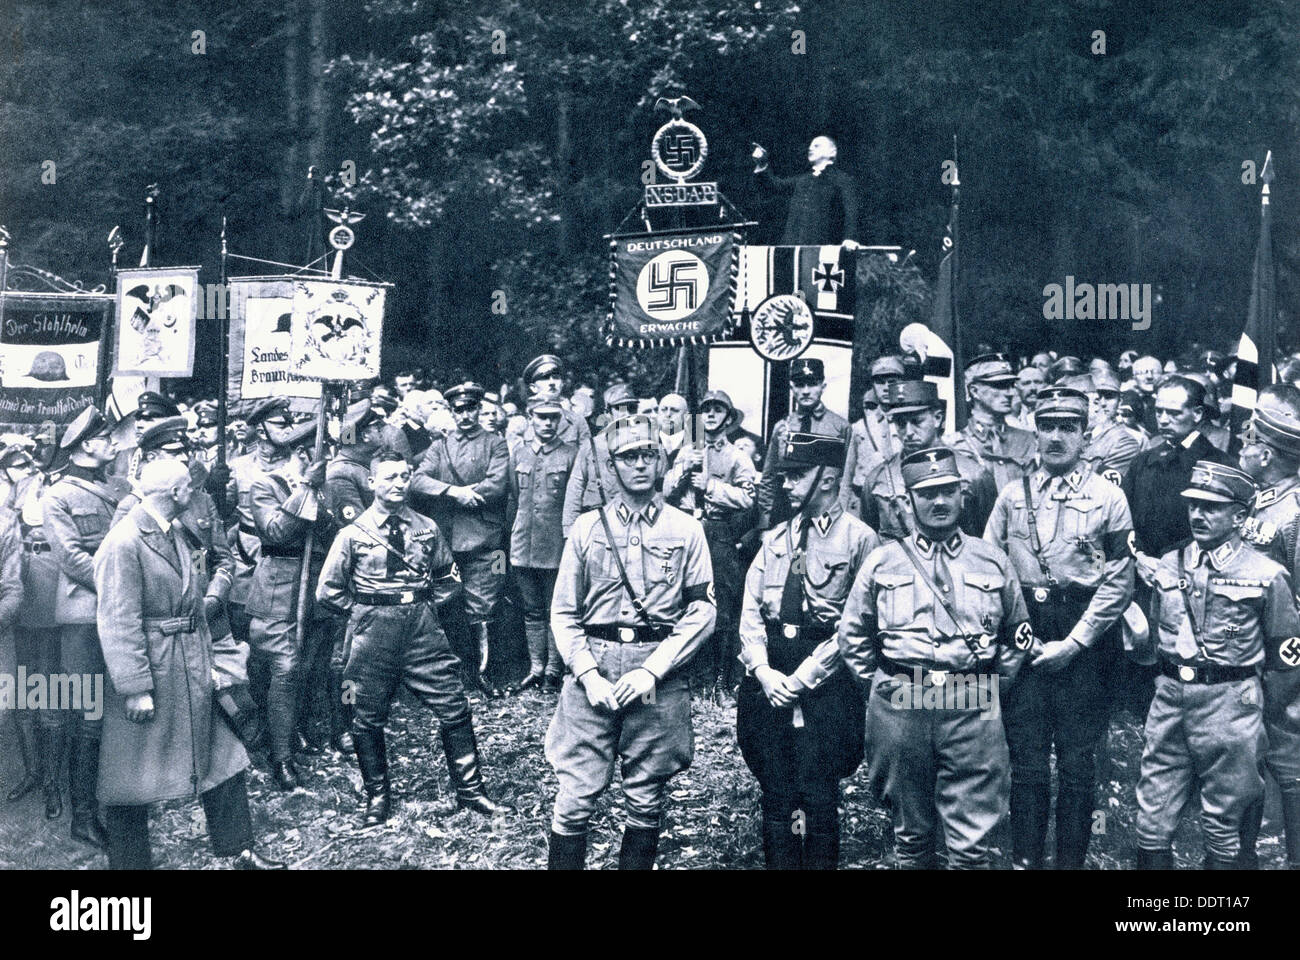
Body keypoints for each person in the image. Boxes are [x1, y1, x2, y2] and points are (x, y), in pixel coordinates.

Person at [837, 447, 1036, 869]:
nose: (940, 502)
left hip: (970, 700)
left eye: (948, 491)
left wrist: (989, 687)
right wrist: (881, 688)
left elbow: (1017, 636)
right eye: (927, 494)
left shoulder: (992, 560)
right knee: (911, 836)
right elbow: (853, 635)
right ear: (908, 503)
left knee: (971, 843)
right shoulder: (882, 561)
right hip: (902, 701)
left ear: (963, 496)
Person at [93, 459, 283, 870]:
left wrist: (208, 662)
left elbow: (193, 602)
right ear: (175, 494)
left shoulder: (175, 532)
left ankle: (240, 851)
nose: (194, 493)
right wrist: (135, 687)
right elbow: (116, 619)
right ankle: (129, 866)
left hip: (190, 662)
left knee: (224, 758)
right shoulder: (124, 542)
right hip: (154, 671)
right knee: (131, 777)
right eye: (187, 488)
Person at [545, 414, 716, 870]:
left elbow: (702, 610)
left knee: (645, 796)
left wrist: (650, 670)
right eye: (628, 456)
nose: (639, 464)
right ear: (611, 466)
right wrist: (586, 674)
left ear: (661, 462)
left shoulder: (686, 529)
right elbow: (563, 613)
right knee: (575, 798)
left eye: (649, 455)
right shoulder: (586, 529)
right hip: (592, 671)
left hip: (656, 672)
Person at [984, 387, 1134, 869]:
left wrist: (1074, 644)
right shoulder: (1011, 495)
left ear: (1085, 434)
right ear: (1035, 431)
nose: (1055, 437)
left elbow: (1118, 582)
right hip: (1024, 632)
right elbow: (989, 568)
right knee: (1026, 763)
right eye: (1046, 426)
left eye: (1067, 427)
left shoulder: (1109, 496)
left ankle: (1070, 862)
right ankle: (1025, 860)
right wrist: (1013, 638)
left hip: (1085, 638)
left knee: (1076, 763)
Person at [316, 451, 509, 826]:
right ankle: (378, 798)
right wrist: (363, 611)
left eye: (404, 476)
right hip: (373, 631)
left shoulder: (427, 527)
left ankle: (471, 792)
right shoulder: (353, 534)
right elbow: (328, 591)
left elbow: (449, 576)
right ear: (372, 483)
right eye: (388, 477)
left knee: (453, 704)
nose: (398, 484)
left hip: (422, 629)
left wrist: (426, 606)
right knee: (367, 715)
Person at [1133, 462, 1300, 869]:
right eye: (1193, 506)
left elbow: (1287, 658)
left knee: (1224, 824)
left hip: (1231, 705)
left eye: (1211, 508)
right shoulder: (1170, 564)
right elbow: (1157, 637)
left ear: (1239, 517)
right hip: (1171, 701)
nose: (1198, 515)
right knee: (1151, 820)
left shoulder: (1265, 574)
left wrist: (1257, 710)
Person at [737, 431, 876, 868]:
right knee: (777, 791)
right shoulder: (776, 537)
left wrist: (804, 679)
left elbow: (858, 624)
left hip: (826, 682)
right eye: (785, 475)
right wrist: (762, 670)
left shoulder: (860, 540)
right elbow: (751, 612)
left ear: (829, 479)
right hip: (771, 675)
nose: (786, 485)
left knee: (818, 792)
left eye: (797, 476)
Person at [41, 406, 127, 848]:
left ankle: (122, 799)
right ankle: (83, 815)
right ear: (86, 446)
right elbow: (71, 559)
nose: (113, 442)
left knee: (120, 711)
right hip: (84, 616)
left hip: (121, 613)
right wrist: (123, 582)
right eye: (106, 437)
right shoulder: (57, 496)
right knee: (87, 717)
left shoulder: (117, 488)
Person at [246, 418, 339, 790]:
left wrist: (321, 504)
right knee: (283, 666)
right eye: (321, 453)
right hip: (278, 590)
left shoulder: (324, 488)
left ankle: (302, 730)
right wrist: (304, 490)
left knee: (311, 665)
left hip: (315, 586)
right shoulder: (264, 485)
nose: (327, 460)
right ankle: (280, 756)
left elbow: (334, 534)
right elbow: (275, 531)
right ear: (301, 454)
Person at [411, 381, 511, 696]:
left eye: (471, 408)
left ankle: (485, 673)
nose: (465, 415)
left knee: (484, 605)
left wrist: (472, 495)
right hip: (448, 539)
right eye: (459, 410)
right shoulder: (441, 446)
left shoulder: (495, 443)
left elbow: (498, 484)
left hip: (484, 538)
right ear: (452, 412)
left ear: (479, 409)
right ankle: (459, 671)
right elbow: (417, 480)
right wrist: (455, 492)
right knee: (449, 604)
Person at [1236, 404, 1300, 868]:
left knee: (1289, 762)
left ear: (1267, 453)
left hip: (1281, 663)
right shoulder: (1259, 500)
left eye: (1250, 438)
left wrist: (1286, 673)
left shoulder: (1294, 510)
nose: (1242, 442)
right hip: (1245, 657)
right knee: (1247, 762)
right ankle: (1242, 859)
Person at [662, 390, 757, 697]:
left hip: (718, 532)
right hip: (687, 528)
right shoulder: (688, 449)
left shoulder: (737, 456)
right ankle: (692, 677)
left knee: (723, 605)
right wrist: (680, 471)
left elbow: (749, 498)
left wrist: (713, 487)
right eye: (707, 410)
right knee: (686, 600)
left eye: (718, 410)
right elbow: (664, 492)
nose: (712, 415)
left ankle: (722, 679)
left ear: (728, 418)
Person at [2, 441, 66, 819]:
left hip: (47, 596)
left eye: (28, 465)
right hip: (14, 608)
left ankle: (53, 782)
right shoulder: (6, 504)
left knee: (52, 693)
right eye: (15, 466)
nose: (23, 472)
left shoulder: (54, 493)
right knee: (21, 696)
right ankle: (33, 772)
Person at [859, 380, 996, 539]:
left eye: (917, 421)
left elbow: (988, 541)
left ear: (937, 418)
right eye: (901, 423)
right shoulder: (879, 478)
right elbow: (870, 539)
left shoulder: (973, 475)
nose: (908, 432)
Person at [506, 397, 578, 693]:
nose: (547, 424)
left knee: (555, 610)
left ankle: (553, 670)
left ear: (560, 419)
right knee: (531, 609)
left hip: (555, 546)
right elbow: (513, 494)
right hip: (523, 543)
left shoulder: (571, 454)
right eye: (541, 417)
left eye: (553, 418)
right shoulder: (519, 453)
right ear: (530, 417)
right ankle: (535, 668)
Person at [757, 357, 850, 531]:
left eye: (812, 384)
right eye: (800, 385)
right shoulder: (782, 427)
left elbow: (844, 480)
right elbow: (768, 477)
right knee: (795, 558)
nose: (806, 391)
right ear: (792, 388)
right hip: (787, 512)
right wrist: (765, 524)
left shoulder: (840, 427)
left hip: (823, 513)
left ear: (823, 386)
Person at [948, 354, 1036, 493]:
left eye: (1011, 385)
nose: (1010, 393)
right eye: (1000, 386)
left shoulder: (1026, 439)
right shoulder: (954, 444)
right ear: (974, 391)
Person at [751, 135, 859, 246]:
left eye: (817, 146)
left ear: (832, 152)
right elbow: (774, 187)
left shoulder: (842, 179)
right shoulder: (802, 180)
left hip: (822, 248)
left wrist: (849, 238)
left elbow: (850, 211)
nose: (810, 148)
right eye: (810, 146)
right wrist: (762, 163)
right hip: (792, 248)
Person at [562, 383, 639, 536]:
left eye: (631, 408)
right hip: (598, 524)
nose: (626, 414)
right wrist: (569, 532)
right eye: (619, 409)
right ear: (607, 413)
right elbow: (575, 490)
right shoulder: (592, 446)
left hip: (636, 523)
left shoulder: (648, 446)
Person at [839, 356, 903, 519]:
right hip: (861, 507)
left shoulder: (910, 424)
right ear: (873, 385)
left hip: (900, 507)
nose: (886, 387)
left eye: (892, 381)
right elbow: (847, 477)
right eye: (880, 382)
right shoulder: (860, 427)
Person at [1009, 365, 1045, 431]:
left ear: (1045, 385)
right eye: (1026, 383)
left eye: (1038, 382)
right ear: (1016, 388)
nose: (1033, 388)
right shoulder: (1010, 415)